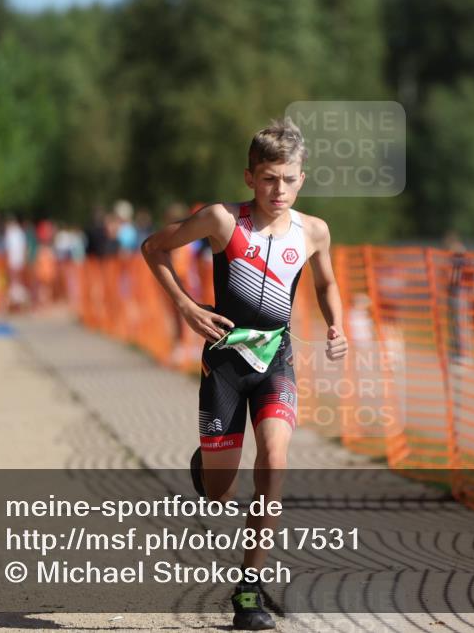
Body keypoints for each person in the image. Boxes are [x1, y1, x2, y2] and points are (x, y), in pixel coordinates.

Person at [142, 117, 347, 630]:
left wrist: (336, 325)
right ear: (250, 177)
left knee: (274, 464)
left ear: (303, 178)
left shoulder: (314, 231)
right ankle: (207, 467)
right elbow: (154, 248)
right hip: (226, 365)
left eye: (289, 178)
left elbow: (326, 284)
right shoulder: (220, 221)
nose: (279, 189)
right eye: (269, 178)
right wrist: (187, 308)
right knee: (219, 490)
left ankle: (249, 591)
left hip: (277, 361)